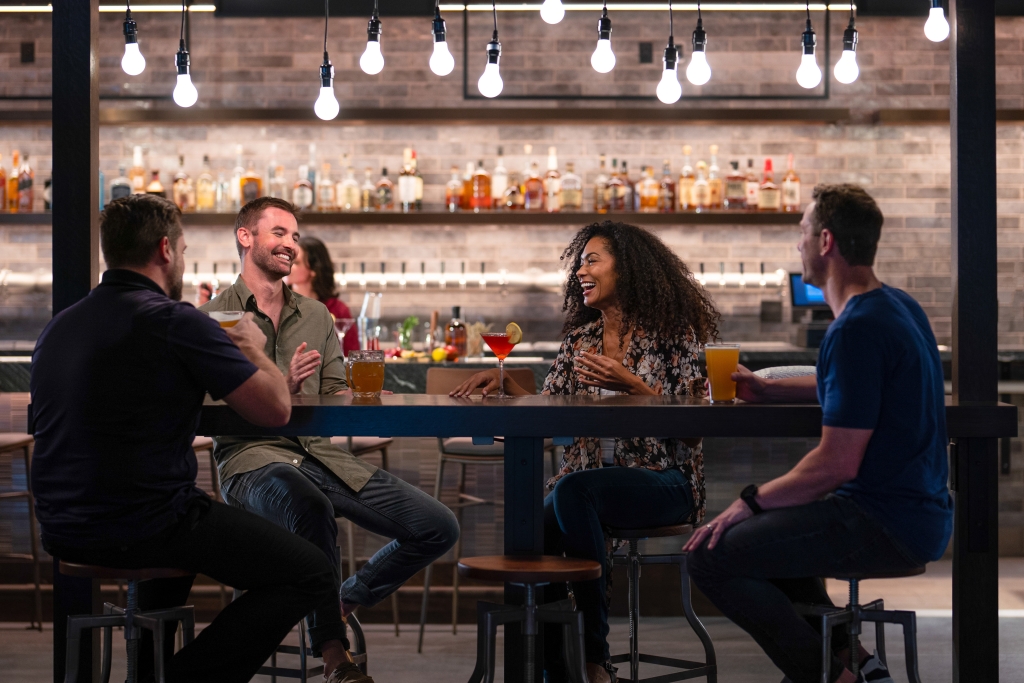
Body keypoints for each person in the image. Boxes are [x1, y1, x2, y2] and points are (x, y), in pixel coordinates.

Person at [30, 194, 337, 683]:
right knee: (311, 570)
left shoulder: (59, 327)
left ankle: (147, 671)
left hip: (62, 527)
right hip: (147, 524)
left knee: (179, 518)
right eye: (186, 250)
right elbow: (275, 409)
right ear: (166, 250)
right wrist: (253, 347)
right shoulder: (176, 321)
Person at [684, 184, 953, 683]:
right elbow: (854, 388)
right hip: (921, 513)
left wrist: (750, 501)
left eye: (802, 232)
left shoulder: (854, 330)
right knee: (772, 540)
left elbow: (835, 465)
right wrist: (766, 391)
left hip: (881, 519)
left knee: (709, 557)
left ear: (826, 241)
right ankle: (855, 662)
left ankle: (832, 677)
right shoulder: (898, 307)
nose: (798, 244)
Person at [202, 197, 459, 683]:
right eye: (279, 233)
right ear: (246, 237)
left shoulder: (317, 316)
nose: (290, 245)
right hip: (252, 461)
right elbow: (207, 406)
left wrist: (364, 396)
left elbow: (336, 389)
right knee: (311, 507)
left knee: (437, 525)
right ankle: (334, 654)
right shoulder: (214, 317)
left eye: (295, 237)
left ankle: (339, 597)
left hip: (320, 457)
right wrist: (281, 386)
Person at [451, 221, 720, 683]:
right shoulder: (582, 340)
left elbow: (693, 434)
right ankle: (563, 669)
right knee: (533, 528)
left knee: (574, 492)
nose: (580, 270)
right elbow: (551, 410)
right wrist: (505, 384)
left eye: (592, 260)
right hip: (590, 483)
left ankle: (595, 657)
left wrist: (634, 387)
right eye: (579, 262)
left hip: (666, 482)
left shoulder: (675, 334)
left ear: (629, 268)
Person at [286, 235, 358, 354]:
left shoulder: (338, 310)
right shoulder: (279, 304)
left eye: (296, 262)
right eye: (289, 259)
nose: (288, 265)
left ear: (314, 269)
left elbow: (351, 354)